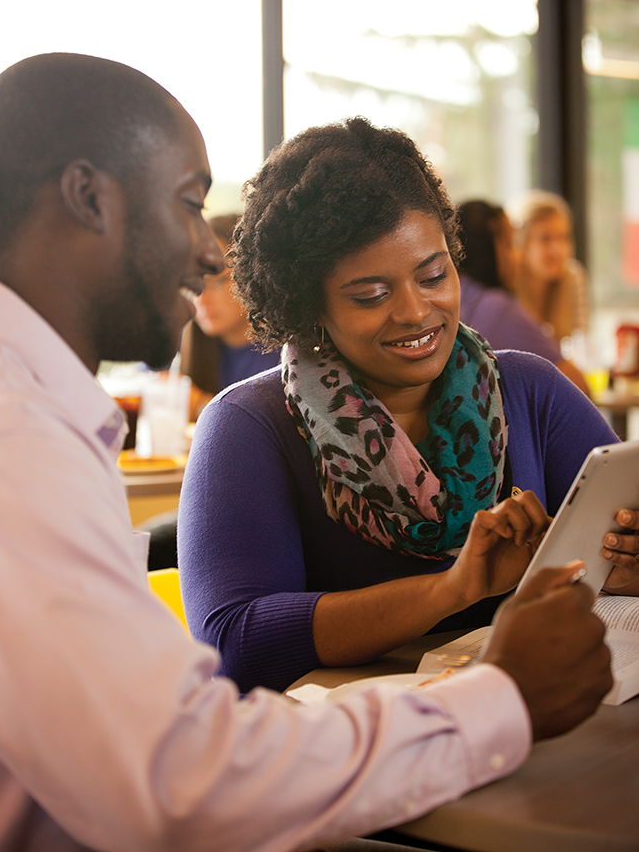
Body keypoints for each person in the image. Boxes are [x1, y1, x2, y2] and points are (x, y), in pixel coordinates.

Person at [0, 55, 617, 852]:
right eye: (187, 203)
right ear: (87, 197)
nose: (211, 258)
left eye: (431, 273)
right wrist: (501, 693)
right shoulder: (4, 435)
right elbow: (177, 778)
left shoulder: (23, 415)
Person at [178, 118, 637, 696]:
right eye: (371, 295)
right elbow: (235, 644)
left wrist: (626, 566)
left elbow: (618, 547)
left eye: (434, 274)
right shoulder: (251, 426)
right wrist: (454, 588)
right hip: (354, 756)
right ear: (308, 304)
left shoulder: (530, 391)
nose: (417, 311)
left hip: (540, 726)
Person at [457, 199, 590, 396]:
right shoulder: (498, 307)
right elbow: (581, 387)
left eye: (565, 238)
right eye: (511, 244)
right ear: (493, 248)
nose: (557, 250)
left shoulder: (463, 292)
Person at [180, 212, 280, 418]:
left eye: (216, 281)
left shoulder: (285, 358)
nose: (201, 298)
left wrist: (200, 406)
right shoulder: (184, 343)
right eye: (194, 283)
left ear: (253, 275)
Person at [508, 190, 589, 347]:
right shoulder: (509, 286)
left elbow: (582, 344)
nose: (557, 250)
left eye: (564, 238)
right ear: (521, 243)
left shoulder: (573, 276)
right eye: (545, 239)